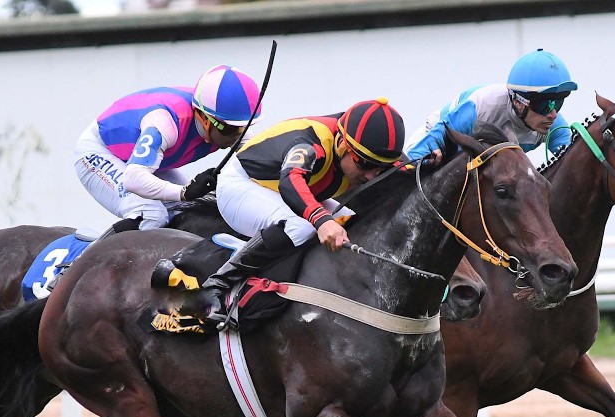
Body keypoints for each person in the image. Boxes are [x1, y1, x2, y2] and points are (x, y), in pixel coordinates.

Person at [202, 97, 406, 329]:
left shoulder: (357, 142)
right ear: (342, 144)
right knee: (304, 225)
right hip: (241, 186)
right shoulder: (312, 143)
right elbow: (290, 181)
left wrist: (428, 163)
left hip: (278, 189)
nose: (371, 175)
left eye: (379, 168)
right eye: (364, 164)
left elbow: (403, 167)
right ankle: (216, 285)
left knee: (348, 220)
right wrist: (321, 220)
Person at [73, 64, 263, 240]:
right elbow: (133, 179)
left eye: (244, 128)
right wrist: (183, 192)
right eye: (230, 130)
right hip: (102, 152)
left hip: (150, 160)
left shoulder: (228, 123)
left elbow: (261, 166)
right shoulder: (165, 122)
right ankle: (82, 264)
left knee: (195, 207)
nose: (237, 137)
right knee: (151, 214)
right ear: (205, 118)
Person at [403, 49, 577, 167]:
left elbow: (570, 171)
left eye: (558, 103)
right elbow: (411, 160)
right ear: (519, 101)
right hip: (434, 140)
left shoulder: (556, 126)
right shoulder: (481, 107)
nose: (553, 114)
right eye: (545, 105)